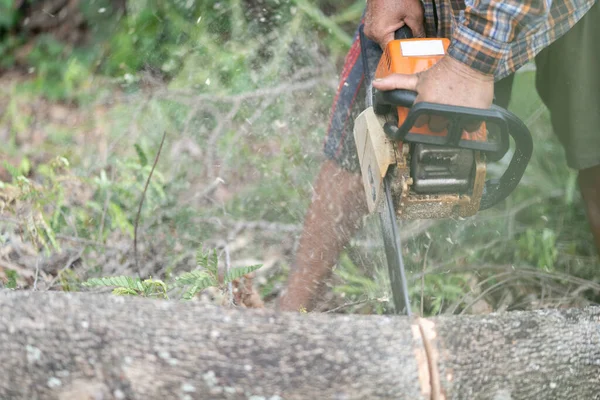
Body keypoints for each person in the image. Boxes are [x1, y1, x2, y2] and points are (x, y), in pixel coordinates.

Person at [279, 0, 600, 312]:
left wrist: (468, 68)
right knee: (355, 146)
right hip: (441, 8)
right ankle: (291, 317)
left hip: (566, 9)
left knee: (594, 151)